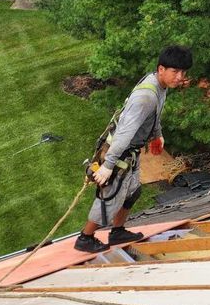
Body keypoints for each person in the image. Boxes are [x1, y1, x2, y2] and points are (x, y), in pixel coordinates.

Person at [75, 45, 193, 254]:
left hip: (130, 151)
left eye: (183, 72)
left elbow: (155, 114)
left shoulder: (159, 85)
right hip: (120, 152)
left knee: (133, 192)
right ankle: (86, 238)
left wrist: (157, 135)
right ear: (161, 69)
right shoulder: (145, 97)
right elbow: (124, 133)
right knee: (110, 196)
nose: (180, 77)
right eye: (175, 72)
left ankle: (118, 231)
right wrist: (108, 166)